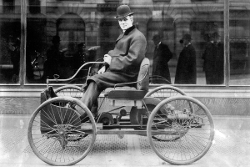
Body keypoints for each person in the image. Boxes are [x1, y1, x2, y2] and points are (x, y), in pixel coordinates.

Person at [76, 4, 147, 118]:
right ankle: (90, 113)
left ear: (131, 19)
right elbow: (116, 52)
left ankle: (79, 113)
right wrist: (105, 65)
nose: (123, 22)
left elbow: (132, 60)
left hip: (128, 76)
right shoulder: (125, 34)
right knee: (94, 76)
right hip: (121, 72)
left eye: (125, 19)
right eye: (120, 20)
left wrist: (111, 62)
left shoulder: (137, 37)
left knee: (96, 79)